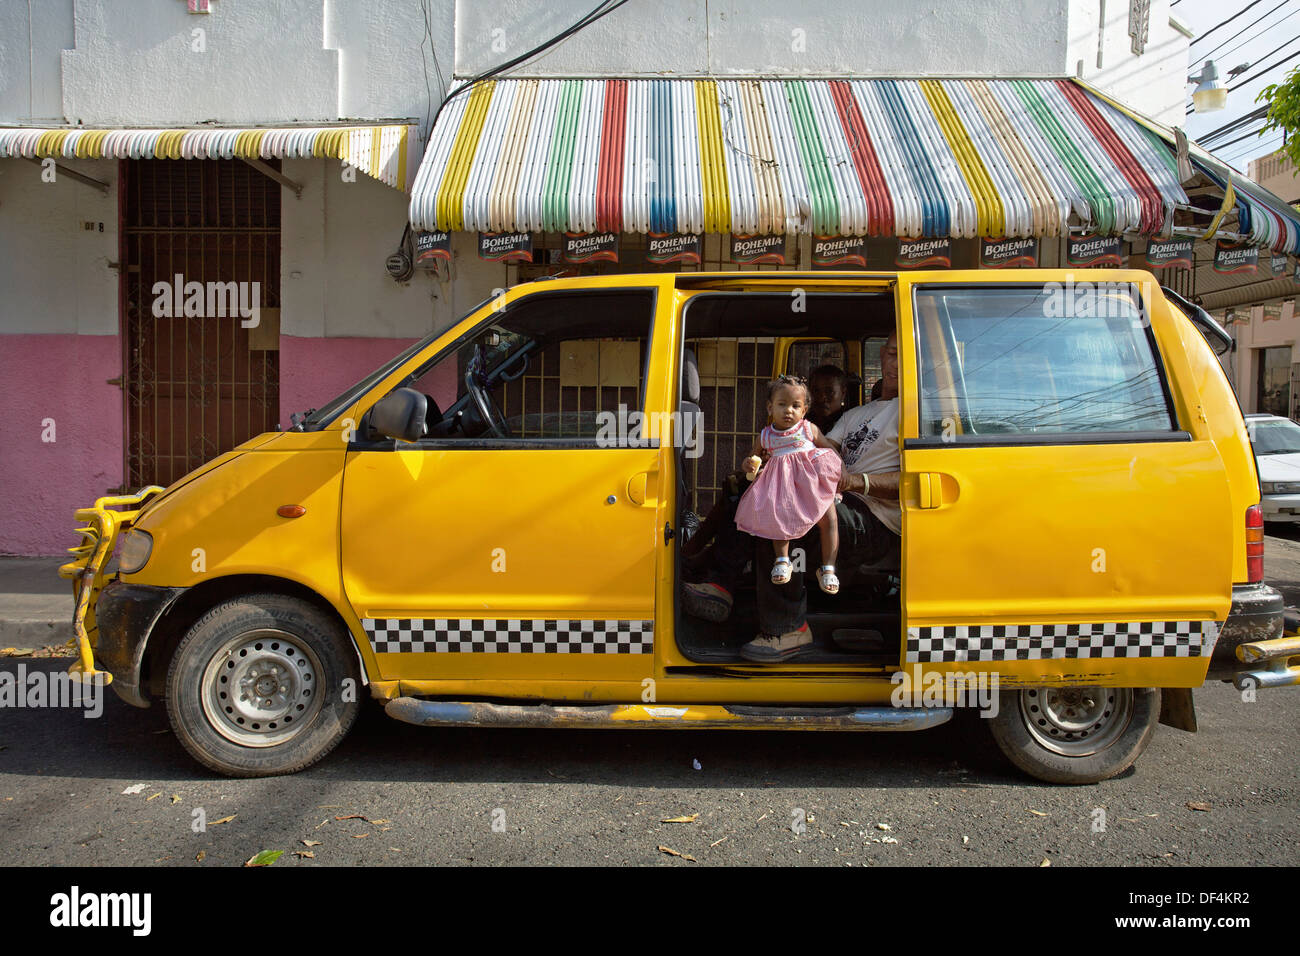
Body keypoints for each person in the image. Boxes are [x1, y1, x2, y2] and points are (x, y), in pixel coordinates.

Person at [682, 334, 902, 663]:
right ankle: (722, 584)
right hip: (837, 494)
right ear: (883, 356)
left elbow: (923, 477)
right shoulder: (860, 414)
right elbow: (824, 447)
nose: (896, 363)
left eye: (906, 356)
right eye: (892, 353)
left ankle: (788, 628)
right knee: (752, 493)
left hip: (875, 517)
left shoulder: (918, 410)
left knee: (786, 516)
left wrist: (857, 481)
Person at [734, 375, 843, 594]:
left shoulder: (808, 429)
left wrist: (840, 470)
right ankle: (782, 559)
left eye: (795, 406)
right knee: (778, 519)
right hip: (782, 487)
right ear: (769, 407)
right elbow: (753, 459)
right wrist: (748, 464)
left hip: (811, 486)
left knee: (829, 518)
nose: (788, 411)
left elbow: (829, 449)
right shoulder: (765, 436)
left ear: (804, 410)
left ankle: (828, 567)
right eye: (782, 404)